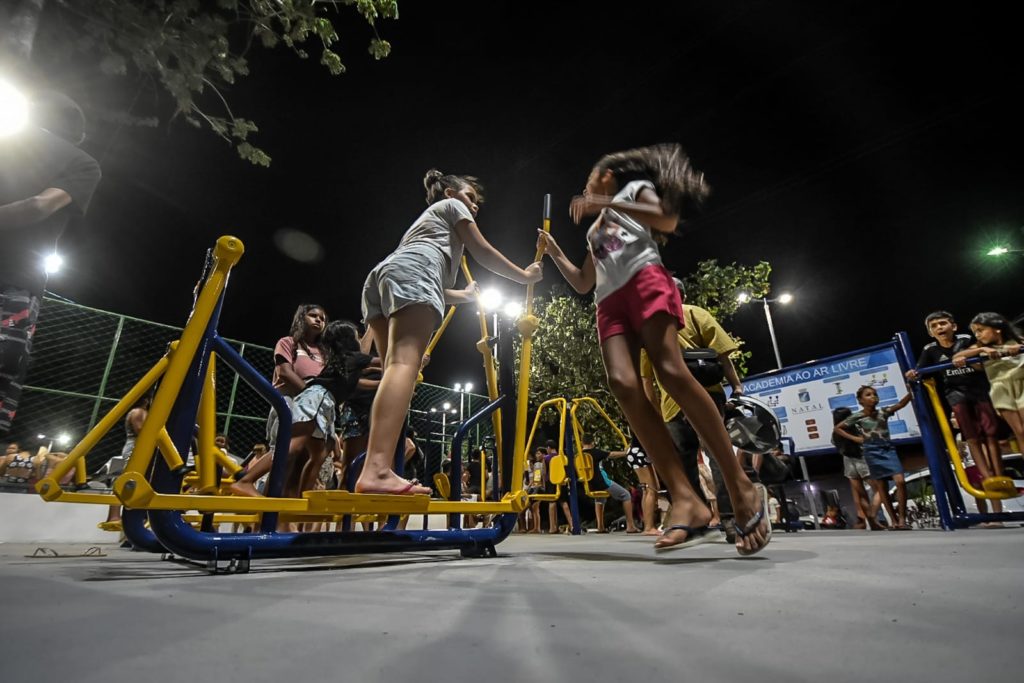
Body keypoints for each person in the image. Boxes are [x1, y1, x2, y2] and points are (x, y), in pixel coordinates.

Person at [537, 143, 770, 555]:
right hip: (608, 302)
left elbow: (667, 217)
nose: (587, 186)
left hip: (644, 280)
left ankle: (741, 486)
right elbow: (582, 282)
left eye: (592, 177)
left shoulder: (634, 192)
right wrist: (555, 252)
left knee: (671, 371)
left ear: (608, 176)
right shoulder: (595, 232)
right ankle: (686, 499)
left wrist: (605, 201)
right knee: (623, 383)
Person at [356, 169, 542, 496]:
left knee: (394, 372)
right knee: (403, 366)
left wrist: (466, 296)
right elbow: (482, 250)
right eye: (471, 196)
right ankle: (377, 470)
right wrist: (524, 276)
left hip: (383, 277)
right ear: (451, 194)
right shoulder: (453, 207)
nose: (475, 205)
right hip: (414, 274)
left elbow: (434, 286)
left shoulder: (427, 227)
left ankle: (376, 467)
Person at [0, 92, 102, 435]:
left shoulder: (10, 143)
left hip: (16, 275)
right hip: (15, 278)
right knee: (5, 365)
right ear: (79, 134)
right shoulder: (83, 162)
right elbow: (39, 206)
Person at [639, 277, 745, 541]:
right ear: (682, 295)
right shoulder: (698, 314)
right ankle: (731, 520)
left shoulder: (648, 328)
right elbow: (723, 355)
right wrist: (738, 388)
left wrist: (654, 411)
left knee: (683, 464)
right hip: (707, 398)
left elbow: (646, 379)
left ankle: (696, 521)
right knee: (718, 456)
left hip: (671, 405)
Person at [230, 320, 369, 500]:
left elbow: (359, 384)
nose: (360, 339)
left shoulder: (342, 363)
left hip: (323, 403)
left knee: (321, 451)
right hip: (317, 400)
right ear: (349, 340)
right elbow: (381, 362)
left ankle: (302, 496)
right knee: (293, 446)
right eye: (357, 336)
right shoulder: (352, 358)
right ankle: (246, 480)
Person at [906, 311, 1004, 516]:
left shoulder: (967, 339)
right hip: (955, 394)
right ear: (931, 333)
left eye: (943, 323)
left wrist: (967, 359)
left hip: (978, 391)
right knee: (971, 438)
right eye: (934, 326)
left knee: (990, 434)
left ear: (954, 326)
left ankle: (997, 475)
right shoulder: (930, 349)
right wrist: (913, 373)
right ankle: (987, 478)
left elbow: (981, 358)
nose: (940, 328)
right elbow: (919, 370)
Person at [833, 386, 913, 530]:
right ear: (860, 400)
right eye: (868, 395)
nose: (873, 397)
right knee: (881, 486)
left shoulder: (884, 412)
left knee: (900, 481)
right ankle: (894, 521)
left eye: (875, 394)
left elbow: (900, 404)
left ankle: (902, 518)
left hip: (887, 448)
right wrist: (856, 439)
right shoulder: (858, 416)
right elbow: (838, 428)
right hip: (871, 451)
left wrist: (911, 392)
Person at [953, 312, 1024, 456]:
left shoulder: (1016, 341)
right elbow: (956, 356)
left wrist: (1018, 347)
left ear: (997, 328)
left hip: (1021, 385)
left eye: (981, 330)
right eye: (975, 332)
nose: (978, 335)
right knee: (1020, 432)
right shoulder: (979, 348)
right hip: (1000, 390)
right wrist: (982, 349)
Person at [831, 406, 884, 530]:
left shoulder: (835, 434)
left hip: (848, 463)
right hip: (862, 460)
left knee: (862, 495)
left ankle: (873, 523)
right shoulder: (855, 428)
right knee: (880, 489)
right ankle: (873, 512)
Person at [579, 433, 639, 533]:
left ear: (582, 443)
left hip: (589, 484)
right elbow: (612, 454)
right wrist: (625, 453)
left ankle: (600, 527)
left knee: (600, 499)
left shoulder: (579, 456)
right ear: (593, 443)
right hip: (601, 482)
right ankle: (630, 526)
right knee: (626, 495)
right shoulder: (594, 452)